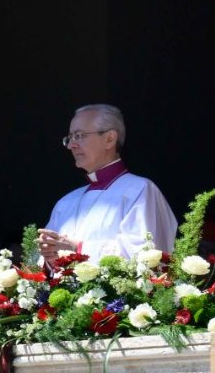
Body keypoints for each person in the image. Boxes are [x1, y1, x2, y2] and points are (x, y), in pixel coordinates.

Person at [38, 104, 178, 265]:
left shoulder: (140, 190)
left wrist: (78, 248)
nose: (71, 145)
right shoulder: (66, 202)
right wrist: (49, 257)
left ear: (110, 139)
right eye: (69, 138)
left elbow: (147, 256)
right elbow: (43, 266)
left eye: (79, 135)